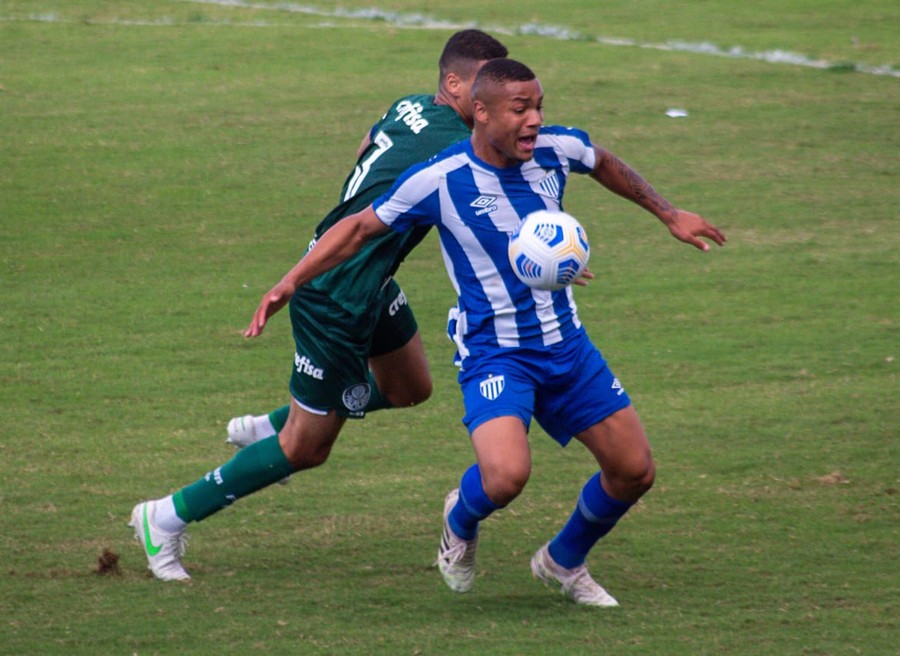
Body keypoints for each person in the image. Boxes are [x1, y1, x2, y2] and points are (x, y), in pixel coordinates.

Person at [244, 58, 726, 606]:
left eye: (539, 106)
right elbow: (357, 228)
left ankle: (562, 561)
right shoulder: (440, 178)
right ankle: (459, 517)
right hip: (496, 352)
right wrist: (289, 282)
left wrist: (668, 213)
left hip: (566, 345)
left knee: (634, 471)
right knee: (505, 478)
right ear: (480, 112)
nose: (535, 120)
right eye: (521, 109)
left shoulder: (557, 151)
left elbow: (604, 161)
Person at [129, 30, 509, 582]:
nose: (494, 100)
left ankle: (268, 425)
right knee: (306, 449)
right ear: (454, 84)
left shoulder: (411, 106)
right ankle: (165, 517)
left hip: (370, 281)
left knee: (410, 387)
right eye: (486, 87)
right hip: (336, 294)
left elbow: (365, 145)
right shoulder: (453, 147)